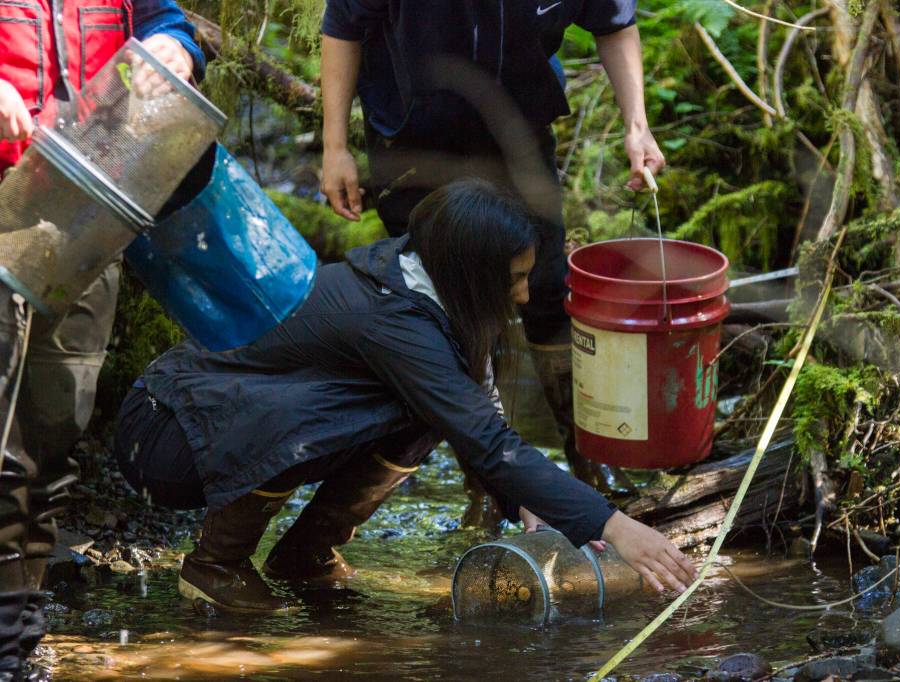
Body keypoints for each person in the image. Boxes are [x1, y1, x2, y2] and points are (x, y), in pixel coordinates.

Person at [113, 180, 697, 614]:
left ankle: (303, 554)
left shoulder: (427, 282)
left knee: (423, 413)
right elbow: (488, 440)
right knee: (324, 412)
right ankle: (217, 564)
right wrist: (614, 525)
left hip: (200, 426)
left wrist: (526, 499)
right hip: (164, 437)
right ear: (470, 274)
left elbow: (478, 408)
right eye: (514, 280)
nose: (523, 296)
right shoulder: (392, 322)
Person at [319, 0, 665, 503]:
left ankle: (590, 461)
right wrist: (334, 147)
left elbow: (614, 24)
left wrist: (637, 124)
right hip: (414, 141)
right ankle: (484, 482)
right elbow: (343, 26)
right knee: (444, 305)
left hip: (520, 135)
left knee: (546, 288)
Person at [0, 2, 204, 677]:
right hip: (4, 205)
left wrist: (177, 50)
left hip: (94, 207)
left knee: (56, 428)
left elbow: (167, 22)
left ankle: (21, 638)